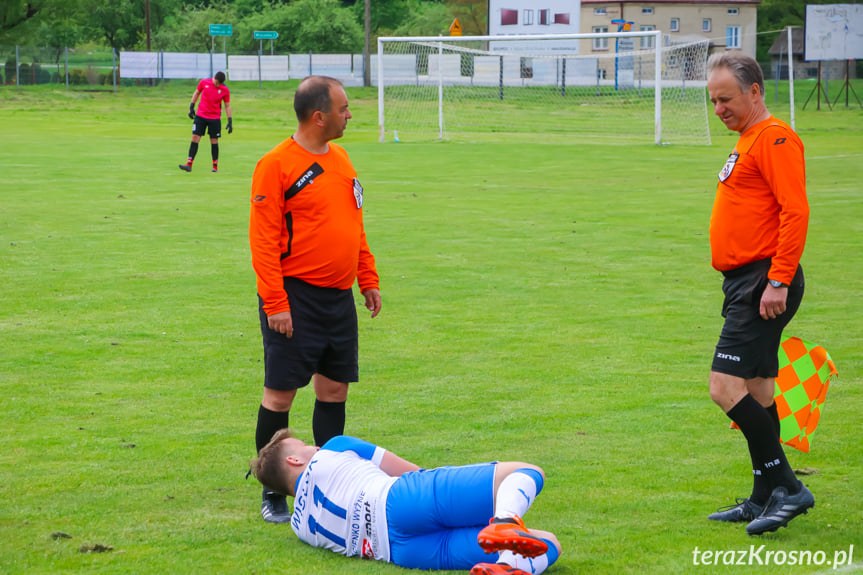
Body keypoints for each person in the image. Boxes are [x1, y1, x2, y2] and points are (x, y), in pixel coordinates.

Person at [248, 76, 382, 524]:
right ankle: (273, 491)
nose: (350, 115)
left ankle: (327, 484)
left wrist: (367, 277)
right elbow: (264, 242)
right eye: (345, 108)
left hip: (338, 299)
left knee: (333, 390)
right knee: (280, 395)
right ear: (319, 116)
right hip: (295, 298)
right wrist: (275, 302)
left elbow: (354, 226)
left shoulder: (342, 159)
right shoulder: (277, 164)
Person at [704, 52, 812, 535]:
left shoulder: (775, 138)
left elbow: (796, 211)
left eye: (726, 99)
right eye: (714, 100)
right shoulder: (748, 139)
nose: (719, 108)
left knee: (724, 388)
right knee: (760, 389)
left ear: (754, 91)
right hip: (745, 280)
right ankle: (764, 495)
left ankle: (788, 487)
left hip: (763, 280)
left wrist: (778, 280)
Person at [250, 429, 562, 575]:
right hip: (399, 500)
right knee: (525, 472)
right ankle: (505, 521)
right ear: (293, 459)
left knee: (548, 542)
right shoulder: (335, 446)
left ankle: (508, 568)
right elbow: (411, 471)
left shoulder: (298, 526)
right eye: (304, 445)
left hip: (401, 552)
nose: (313, 445)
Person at [178, 71, 232, 173]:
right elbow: (197, 93)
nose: (219, 85)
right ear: (214, 79)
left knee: (214, 141)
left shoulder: (225, 90)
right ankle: (189, 164)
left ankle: (215, 166)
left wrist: (230, 120)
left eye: (221, 84)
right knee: (195, 137)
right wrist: (191, 106)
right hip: (201, 116)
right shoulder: (204, 82)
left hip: (214, 118)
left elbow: (227, 105)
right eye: (217, 83)